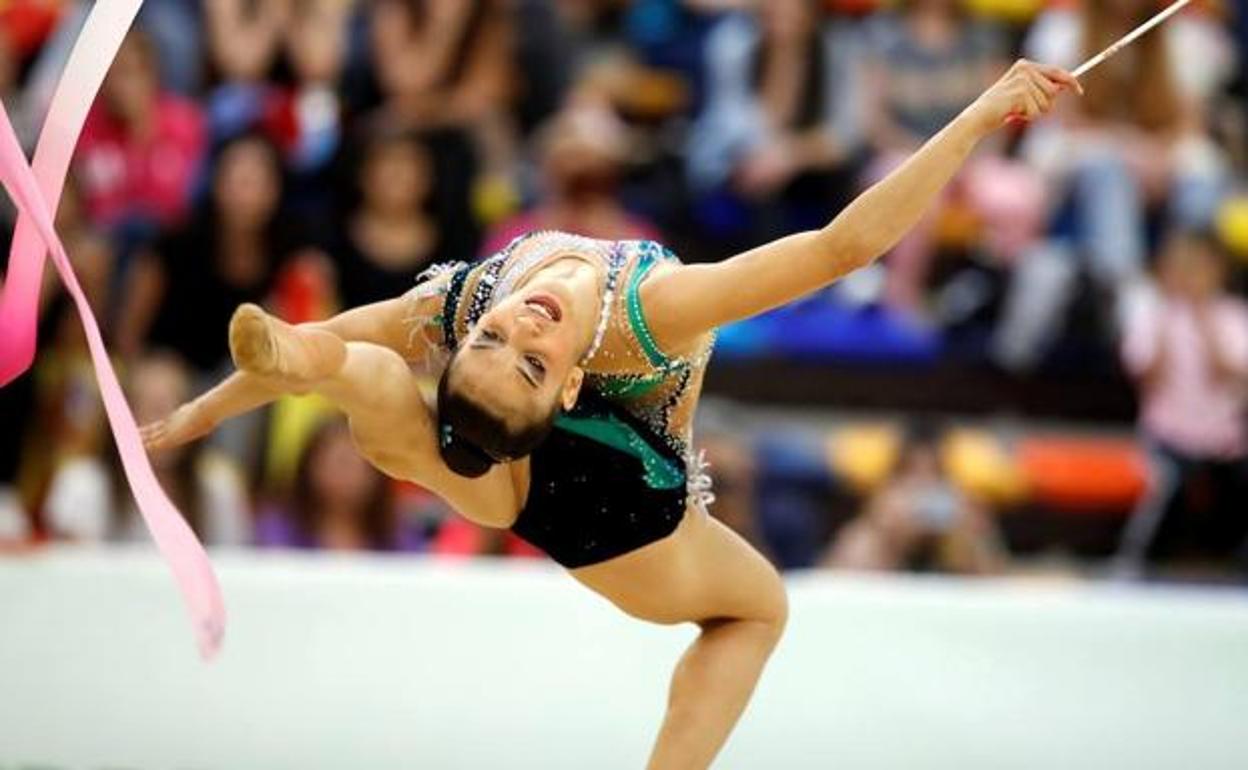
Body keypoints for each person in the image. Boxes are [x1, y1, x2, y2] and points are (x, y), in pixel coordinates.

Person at [143, 61, 1077, 769]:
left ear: (564, 388)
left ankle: (348, 383)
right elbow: (841, 249)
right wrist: (979, 116)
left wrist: (206, 409)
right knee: (755, 606)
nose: (519, 328)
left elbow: (843, 249)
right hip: (562, 486)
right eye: (514, 349)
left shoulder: (492, 306)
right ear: (555, 387)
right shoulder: (607, 310)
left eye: (511, 347)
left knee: (376, 375)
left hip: (558, 491)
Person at [1114, 230, 1248, 576]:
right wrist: (1166, 318)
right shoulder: (1152, 316)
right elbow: (1146, 376)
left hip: (1224, 440)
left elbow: (1229, 373)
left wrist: (1204, 320)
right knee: (1163, 486)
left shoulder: (1233, 316)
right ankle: (1137, 562)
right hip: (1167, 435)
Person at [823, 422, 1005, 574]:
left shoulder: (965, 512)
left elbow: (998, 586)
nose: (923, 485)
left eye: (934, 473)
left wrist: (974, 542)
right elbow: (836, 586)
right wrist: (888, 540)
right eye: (911, 472)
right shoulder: (871, 527)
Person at [256, 416, 421, 552]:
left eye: (356, 465)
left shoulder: (397, 533)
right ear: (310, 466)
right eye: (339, 462)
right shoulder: (279, 526)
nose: (346, 475)